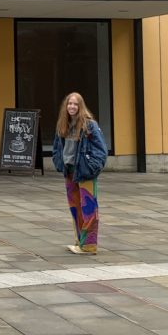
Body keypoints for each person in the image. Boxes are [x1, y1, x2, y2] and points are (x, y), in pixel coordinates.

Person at [51, 91, 108, 255]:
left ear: (80, 106)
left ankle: (89, 245)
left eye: (76, 104)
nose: (72, 106)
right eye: (70, 103)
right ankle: (80, 241)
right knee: (75, 207)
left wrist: (91, 166)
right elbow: (56, 147)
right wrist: (58, 162)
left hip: (85, 172)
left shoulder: (89, 125)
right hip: (69, 171)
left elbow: (101, 150)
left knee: (88, 207)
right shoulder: (63, 124)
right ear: (65, 106)